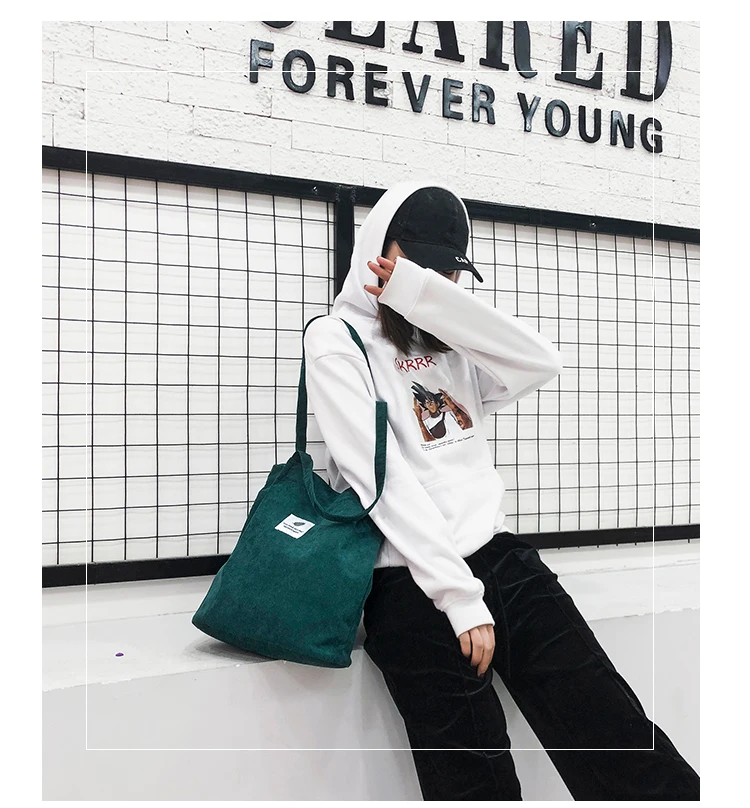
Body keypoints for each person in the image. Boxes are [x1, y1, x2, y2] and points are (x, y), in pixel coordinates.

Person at [303, 181, 700, 801]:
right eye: (419, 264)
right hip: (410, 579)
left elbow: (541, 362)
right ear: (378, 252)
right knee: (474, 780)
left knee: (616, 736)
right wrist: (458, 598)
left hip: (498, 556)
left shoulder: (445, 338)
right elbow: (381, 482)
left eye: (445, 271)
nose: (435, 278)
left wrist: (429, 300)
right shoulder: (335, 339)